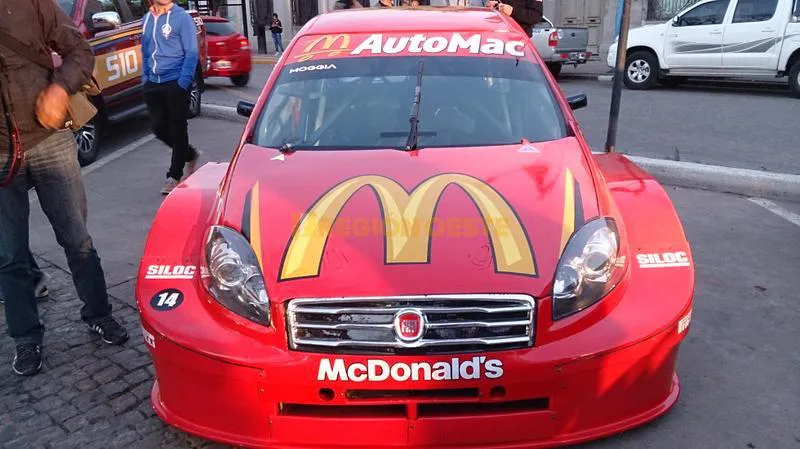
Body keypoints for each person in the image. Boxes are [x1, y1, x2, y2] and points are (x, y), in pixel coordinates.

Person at [0, 0, 129, 377]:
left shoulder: (31, 4)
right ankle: (26, 337)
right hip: (1, 152)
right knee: (9, 254)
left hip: (49, 140)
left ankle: (99, 313)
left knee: (76, 239)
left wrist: (59, 88)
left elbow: (79, 51)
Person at [141, 0, 201, 195]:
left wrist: (182, 82)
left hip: (175, 81)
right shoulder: (147, 19)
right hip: (153, 83)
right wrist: (145, 77)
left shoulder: (182, 18)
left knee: (177, 128)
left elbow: (191, 52)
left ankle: (174, 175)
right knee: (158, 127)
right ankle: (189, 153)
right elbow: (145, 51)